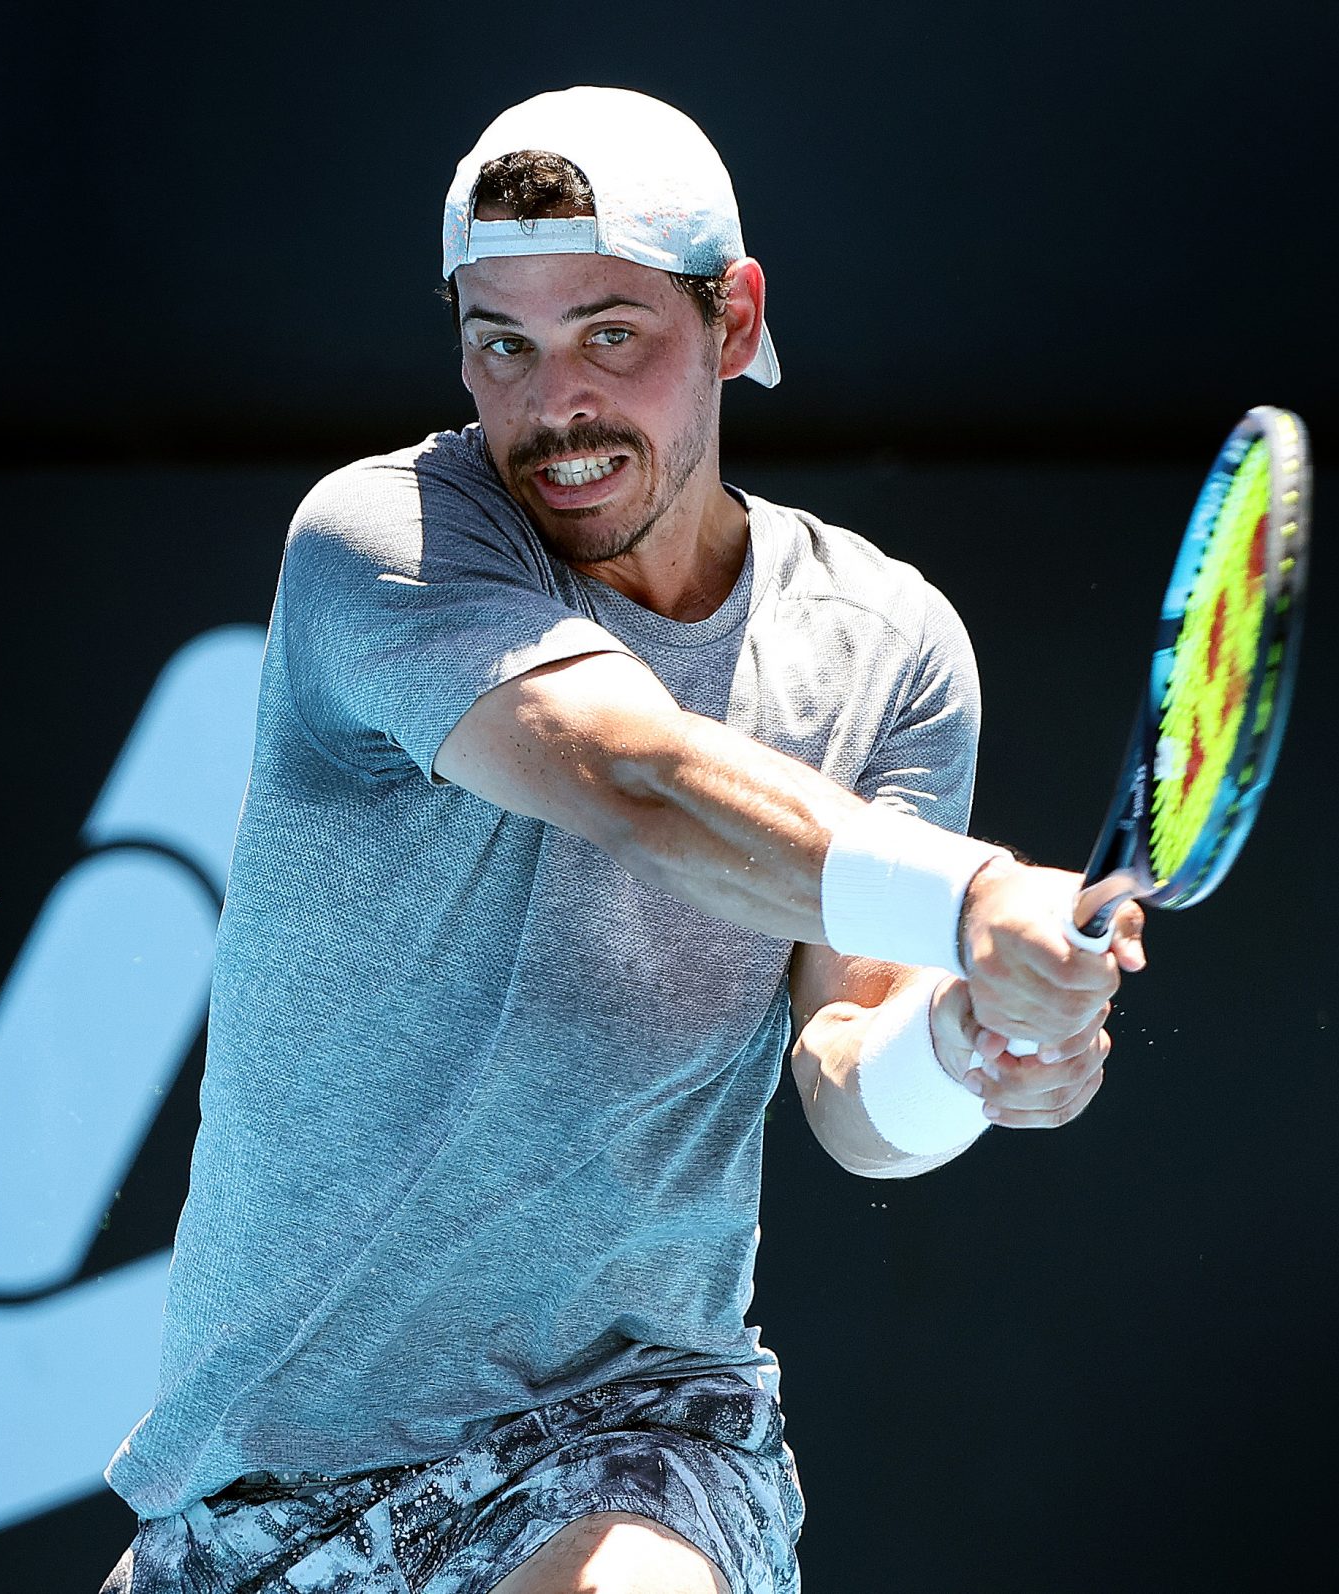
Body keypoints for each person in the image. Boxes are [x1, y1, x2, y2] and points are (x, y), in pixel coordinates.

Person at [99, 85, 1147, 1594]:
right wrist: (976, 894)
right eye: (501, 343)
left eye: (610, 334)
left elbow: (855, 1083)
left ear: (732, 321)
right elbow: (629, 772)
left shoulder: (891, 645)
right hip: (255, 1487)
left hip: (635, 1431)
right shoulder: (381, 537)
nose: (554, 407)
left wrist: (973, 1048)